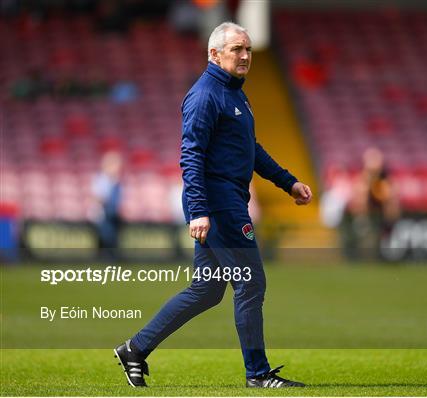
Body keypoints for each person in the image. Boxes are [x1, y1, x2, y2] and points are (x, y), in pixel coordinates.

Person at [114, 22, 312, 388]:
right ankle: (258, 373)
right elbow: (191, 156)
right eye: (237, 49)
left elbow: (251, 150)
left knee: (206, 291)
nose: (245, 56)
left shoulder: (235, 95)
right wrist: (199, 209)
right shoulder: (206, 95)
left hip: (229, 200)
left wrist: (288, 183)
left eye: (248, 49)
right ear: (214, 54)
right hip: (220, 206)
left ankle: (135, 349)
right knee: (250, 283)